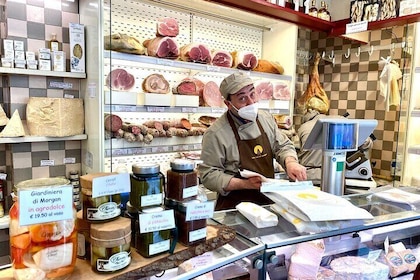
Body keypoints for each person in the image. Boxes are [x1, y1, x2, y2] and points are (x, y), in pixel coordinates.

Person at [198, 72, 307, 210]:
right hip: (234, 208)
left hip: (269, 202)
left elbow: (282, 146)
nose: (251, 102)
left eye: (252, 94)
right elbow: (209, 175)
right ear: (228, 104)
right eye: (242, 98)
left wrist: (291, 163)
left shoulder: (265, 118)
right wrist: (245, 184)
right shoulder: (216, 133)